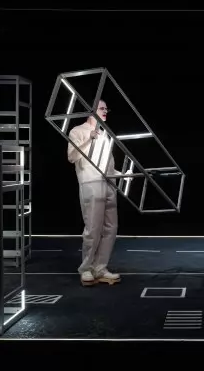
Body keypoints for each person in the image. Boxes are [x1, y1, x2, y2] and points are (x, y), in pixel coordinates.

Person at [67, 100, 123, 287]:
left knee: (110, 228)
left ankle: (100, 267)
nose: (105, 111)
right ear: (91, 110)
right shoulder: (78, 131)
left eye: (106, 108)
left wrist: (121, 175)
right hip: (91, 183)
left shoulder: (104, 133)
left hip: (108, 183)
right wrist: (88, 139)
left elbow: (108, 161)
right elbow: (71, 157)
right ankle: (86, 268)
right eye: (102, 108)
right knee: (93, 228)